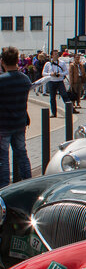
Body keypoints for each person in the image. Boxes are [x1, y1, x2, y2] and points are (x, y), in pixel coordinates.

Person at [0, 46, 32, 187]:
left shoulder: (2, 80)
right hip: (19, 122)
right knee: (21, 154)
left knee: (3, 157)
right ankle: (28, 182)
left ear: (2, 61)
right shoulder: (25, 79)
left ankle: (5, 187)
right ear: (18, 60)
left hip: (4, 124)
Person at [43, 52, 71, 118]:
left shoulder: (62, 63)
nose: (57, 55)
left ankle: (70, 110)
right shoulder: (48, 64)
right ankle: (53, 113)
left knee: (64, 95)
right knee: (52, 98)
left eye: (57, 54)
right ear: (52, 55)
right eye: (55, 54)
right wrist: (50, 74)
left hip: (60, 81)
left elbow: (66, 71)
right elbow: (43, 73)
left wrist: (60, 74)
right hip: (52, 81)